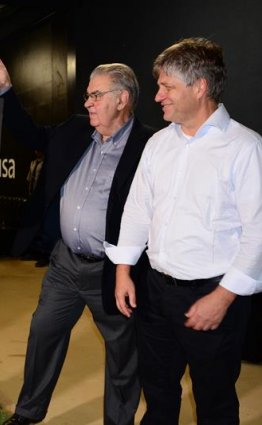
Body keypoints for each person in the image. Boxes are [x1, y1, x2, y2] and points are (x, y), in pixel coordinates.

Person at [0, 51, 155, 425]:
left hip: (113, 272)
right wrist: (5, 89)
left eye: (96, 95)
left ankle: (119, 421)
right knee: (43, 333)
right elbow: (29, 132)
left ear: (122, 99)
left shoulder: (149, 147)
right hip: (64, 265)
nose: (87, 102)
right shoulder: (74, 130)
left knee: (123, 352)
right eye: (88, 95)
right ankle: (28, 413)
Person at [105, 37, 262, 425]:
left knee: (215, 402)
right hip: (155, 294)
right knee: (157, 392)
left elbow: (259, 232)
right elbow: (138, 209)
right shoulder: (158, 144)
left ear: (200, 87)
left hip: (213, 296)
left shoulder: (245, 148)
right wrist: (124, 270)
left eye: (166, 86)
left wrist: (223, 298)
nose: (158, 96)